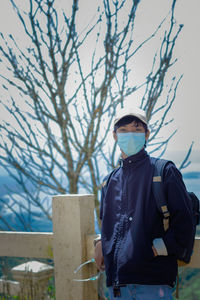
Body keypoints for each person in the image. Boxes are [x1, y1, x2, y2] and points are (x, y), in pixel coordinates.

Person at [94, 107, 195, 300]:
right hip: (117, 287)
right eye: (123, 130)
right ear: (114, 135)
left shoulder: (164, 171)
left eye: (136, 129)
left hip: (153, 284)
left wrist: (157, 248)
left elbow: (185, 223)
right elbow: (110, 224)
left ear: (147, 134)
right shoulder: (109, 181)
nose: (130, 135)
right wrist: (100, 242)